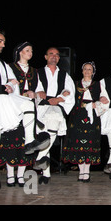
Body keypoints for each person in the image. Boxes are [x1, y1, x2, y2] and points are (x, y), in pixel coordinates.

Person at [0, 23, 49, 192]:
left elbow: (13, 86)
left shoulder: (3, 64)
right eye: (0, 41)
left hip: (3, 102)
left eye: (4, 41)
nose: (3, 44)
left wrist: (11, 86)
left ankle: (29, 141)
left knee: (26, 105)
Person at [0, 42, 38, 187]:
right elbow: (5, 83)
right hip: (12, 107)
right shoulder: (9, 67)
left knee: (24, 142)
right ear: (20, 52)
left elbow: (39, 90)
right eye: (27, 50)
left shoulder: (34, 71)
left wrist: (34, 93)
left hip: (28, 108)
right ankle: (10, 175)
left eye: (31, 50)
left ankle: (20, 176)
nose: (30, 53)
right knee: (11, 141)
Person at [34, 47, 76, 184]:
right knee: (45, 137)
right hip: (41, 108)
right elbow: (35, 89)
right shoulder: (38, 73)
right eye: (51, 54)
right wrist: (40, 93)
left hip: (56, 107)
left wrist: (58, 99)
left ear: (59, 59)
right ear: (45, 57)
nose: (54, 56)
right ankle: (45, 174)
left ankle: (40, 158)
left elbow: (69, 92)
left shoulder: (64, 75)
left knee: (52, 127)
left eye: (57, 55)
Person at [63, 62, 108, 182]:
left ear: (93, 72)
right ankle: (81, 171)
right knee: (78, 144)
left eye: (90, 69)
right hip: (77, 116)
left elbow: (106, 101)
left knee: (89, 143)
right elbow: (69, 96)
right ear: (82, 71)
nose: (87, 71)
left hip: (92, 116)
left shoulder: (98, 85)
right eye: (85, 69)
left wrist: (97, 103)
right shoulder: (75, 84)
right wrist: (65, 93)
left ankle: (86, 171)